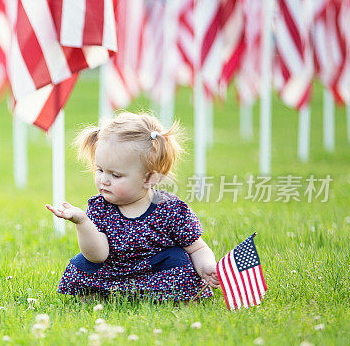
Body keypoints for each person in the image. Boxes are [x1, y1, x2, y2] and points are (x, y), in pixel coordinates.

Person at [46, 111, 220, 302]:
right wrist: (82, 222)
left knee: (177, 259)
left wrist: (207, 267)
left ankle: (173, 299)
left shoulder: (170, 209)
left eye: (116, 175)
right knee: (83, 262)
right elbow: (98, 255)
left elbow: (197, 249)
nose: (104, 180)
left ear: (150, 178)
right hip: (112, 271)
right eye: (100, 170)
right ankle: (99, 297)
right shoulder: (99, 208)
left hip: (156, 273)